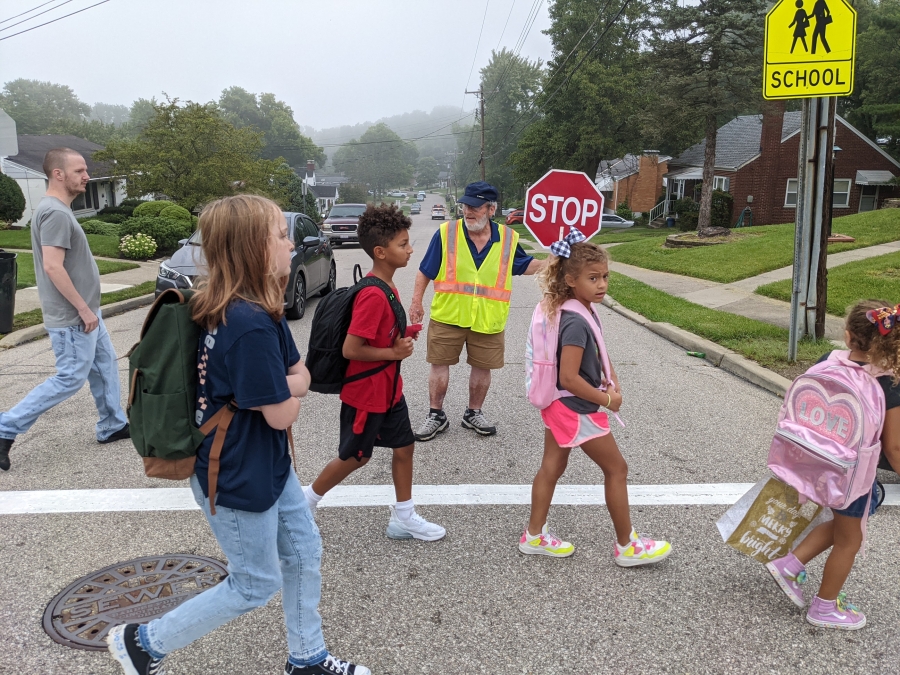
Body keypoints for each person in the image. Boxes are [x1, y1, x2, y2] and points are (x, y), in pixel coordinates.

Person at [107, 195, 369, 675]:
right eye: (281, 235)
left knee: (305, 549)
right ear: (253, 247)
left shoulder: (257, 306)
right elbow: (283, 412)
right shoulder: (245, 323)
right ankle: (143, 641)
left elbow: (297, 375)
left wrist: (288, 387)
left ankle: (307, 659)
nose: (292, 244)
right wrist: (290, 388)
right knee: (253, 583)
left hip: (265, 462)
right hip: (234, 473)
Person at [519, 234, 672, 565]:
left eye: (604, 277)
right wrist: (606, 399)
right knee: (617, 469)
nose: (602, 284)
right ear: (570, 279)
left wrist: (611, 377)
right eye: (593, 278)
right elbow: (569, 378)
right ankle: (627, 546)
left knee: (552, 466)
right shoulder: (575, 320)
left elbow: (594, 354)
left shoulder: (572, 307)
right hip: (576, 407)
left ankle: (534, 536)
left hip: (557, 405)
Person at [303, 204, 445, 542]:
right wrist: (393, 352)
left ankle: (404, 517)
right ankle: (303, 505)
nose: (411, 249)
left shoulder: (387, 286)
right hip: (366, 392)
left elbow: (378, 333)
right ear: (380, 252)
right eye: (403, 244)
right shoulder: (372, 294)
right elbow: (351, 349)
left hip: (389, 389)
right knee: (355, 456)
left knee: (405, 446)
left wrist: (402, 333)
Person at [765, 300, 900, 630]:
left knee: (843, 527)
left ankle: (789, 564)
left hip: (818, 463)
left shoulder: (829, 360)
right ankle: (824, 607)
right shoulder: (888, 383)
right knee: (849, 540)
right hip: (854, 475)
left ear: (848, 336)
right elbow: (893, 446)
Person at [0, 148, 129, 472]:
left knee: (103, 367)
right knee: (70, 377)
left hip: (86, 313)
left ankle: (113, 424)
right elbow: (54, 267)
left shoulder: (55, 209)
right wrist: (84, 311)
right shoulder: (55, 213)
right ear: (58, 174)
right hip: (75, 317)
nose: (86, 176)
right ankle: (5, 428)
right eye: (79, 170)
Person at [409, 181, 544, 441]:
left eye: (475, 207)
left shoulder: (507, 238)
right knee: (439, 364)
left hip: (488, 318)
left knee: (483, 367)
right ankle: (436, 415)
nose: (468, 211)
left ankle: (474, 413)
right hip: (448, 315)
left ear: (491, 209)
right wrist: (417, 302)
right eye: (465, 206)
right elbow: (425, 270)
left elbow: (525, 265)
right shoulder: (447, 233)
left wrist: (555, 261)